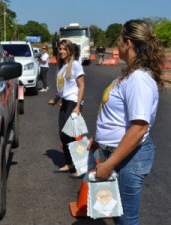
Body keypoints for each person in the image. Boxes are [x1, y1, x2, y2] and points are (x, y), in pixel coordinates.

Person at [88, 19, 165, 225]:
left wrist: (110, 164)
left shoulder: (138, 79)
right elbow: (116, 117)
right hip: (118, 153)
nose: (117, 43)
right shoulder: (129, 74)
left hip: (128, 158)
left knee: (126, 219)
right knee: (119, 215)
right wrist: (99, 139)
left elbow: (139, 128)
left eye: (119, 39)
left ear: (128, 43)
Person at [48, 39, 85, 178]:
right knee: (63, 134)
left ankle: (81, 166)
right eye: (60, 49)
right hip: (66, 101)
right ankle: (69, 163)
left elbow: (81, 86)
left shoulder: (75, 65)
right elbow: (63, 89)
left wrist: (77, 106)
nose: (61, 51)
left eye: (64, 49)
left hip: (73, 102)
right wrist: (55, 99)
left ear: (70, 50)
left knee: (71, 134)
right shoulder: (63, 66)